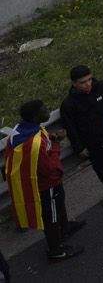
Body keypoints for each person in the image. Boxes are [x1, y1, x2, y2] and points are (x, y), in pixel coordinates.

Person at [4, 99, 81, 262]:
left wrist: (50, 137)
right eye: (43, 109)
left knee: (58, 205)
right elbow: (49, 169)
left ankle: (65, 228)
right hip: (47, 185)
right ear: (34, 117)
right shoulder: (35, 143)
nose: (47, 111)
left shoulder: (20, 130)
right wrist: (56, 144)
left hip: (36, 183)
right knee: (51, 216)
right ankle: (56, 251)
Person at [59, 64, 103, 208]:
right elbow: (70, 128)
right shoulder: (69, 104)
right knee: (100, 167)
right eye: (83, 82)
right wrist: (79, 148)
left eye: (89, 79)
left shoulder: (102, 86)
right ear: (74, 84)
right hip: (91, 142)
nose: (88, 84)